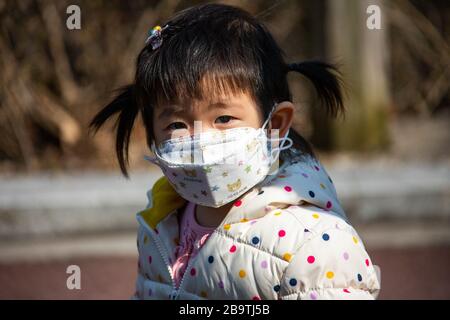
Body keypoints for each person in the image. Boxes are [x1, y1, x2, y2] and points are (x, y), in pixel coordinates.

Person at [90, 3, 381, 300]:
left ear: (275, 124)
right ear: (152, 131)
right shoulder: (159, 224)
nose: (201, 141)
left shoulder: (313, 243)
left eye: (224, 118)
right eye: (177, 123)